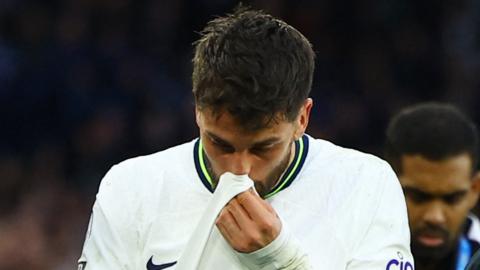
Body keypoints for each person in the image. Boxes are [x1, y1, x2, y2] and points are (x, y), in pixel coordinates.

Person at [78, 7, 413, 269]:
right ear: (197, 110)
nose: (240, 170)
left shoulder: (367, 184)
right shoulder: (130, 189)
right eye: (220, 144)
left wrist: (280, 260)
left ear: (302, 119)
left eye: (263, 148)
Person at [385, 103, 480, 270]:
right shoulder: (348, 247)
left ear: (475, 189)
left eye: (452, 199)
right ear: (387, 184)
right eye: (418, 197)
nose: (435, 217)